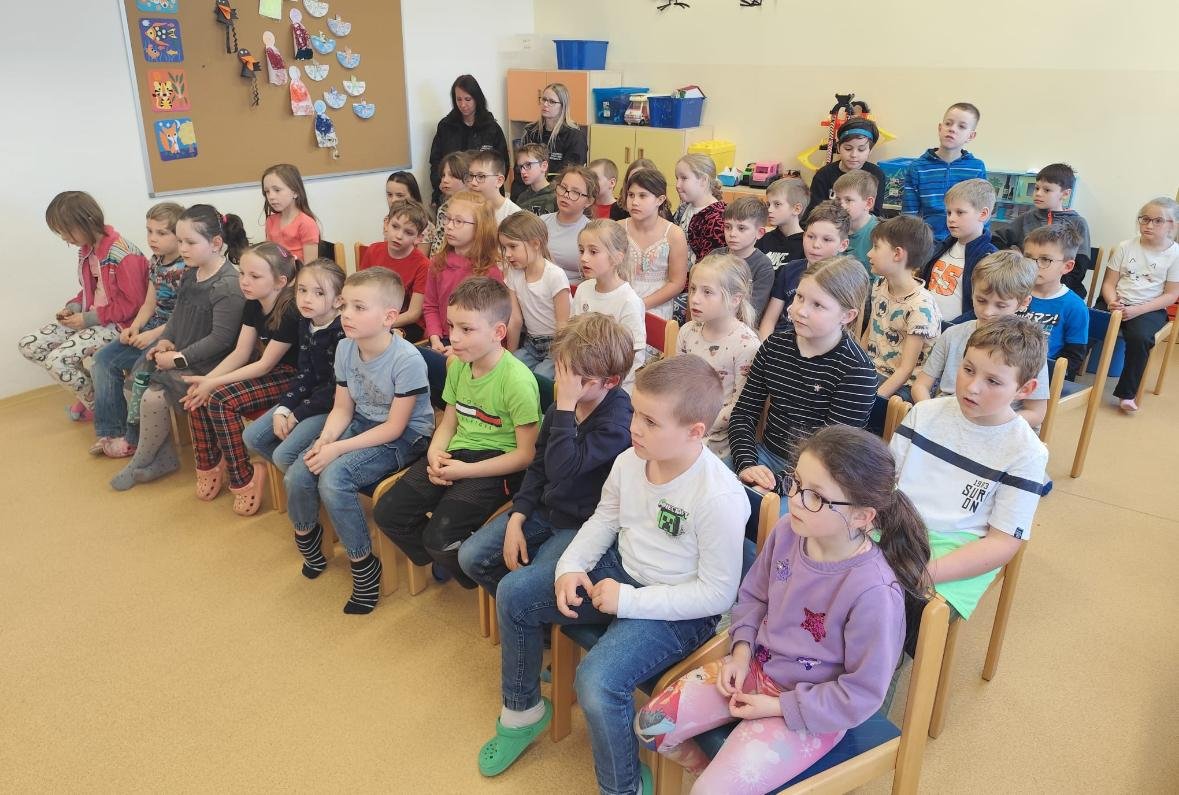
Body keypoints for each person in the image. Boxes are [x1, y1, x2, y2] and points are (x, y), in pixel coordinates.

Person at [476, 355, 749, 795]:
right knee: (515, 593)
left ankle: (622, 786)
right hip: (620, 572)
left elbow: (716, 595)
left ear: (695, 432)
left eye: (650, 421)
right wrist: (569, 568)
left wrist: (629, 600)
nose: (634, 427)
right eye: (636, 412)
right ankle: (523, 712)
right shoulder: (630, 460)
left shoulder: (719, 497)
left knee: (597, 681)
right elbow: (604, 520)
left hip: (678, 610)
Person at [638, 426, 931, 795]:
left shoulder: (874, 592)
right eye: (796, 483)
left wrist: (776, 707)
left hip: (811, 711)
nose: (795, 500)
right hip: (754, 669)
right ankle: (712, 773)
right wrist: (740, 653)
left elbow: (861, 694)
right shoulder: (788, 531)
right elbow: (753, 596)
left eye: (815, 496)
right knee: (650, 725)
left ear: (861, 517)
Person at [283, 268, 435, 613]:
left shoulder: (406, 359)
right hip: (363, 423)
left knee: (334, 479)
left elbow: (395, 428)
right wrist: (325, 440)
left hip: (405, 437)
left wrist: (336, 449)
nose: (346, 314)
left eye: (359, 307)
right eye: (344, 305)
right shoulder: (345, 348)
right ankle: (308, 537)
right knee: (298, 473)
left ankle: (364, 564)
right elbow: (342, 408)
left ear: (389, 317)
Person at [374, 277, 540, 585]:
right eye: (451, 326)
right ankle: (441, 557)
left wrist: (465, 471)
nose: (454, 338)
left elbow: (526, 456)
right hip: (457, 453)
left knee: (438, 539)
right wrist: (435, 453)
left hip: (496, 466)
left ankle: (459, 567)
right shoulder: (459, 365)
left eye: (466, 329)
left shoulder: (517, 381)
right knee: (388, 513)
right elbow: (449, 422)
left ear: (498, 333)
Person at [458, 312, 635, 594]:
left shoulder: (615, 425)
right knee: (470, 558)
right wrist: (518, 515)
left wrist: (565, 406)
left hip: (581, 524)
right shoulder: (564, 406)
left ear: (610, 381)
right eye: (563, 372)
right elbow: (540, 464)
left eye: (578, 379)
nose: (565, 385)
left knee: (525, 588)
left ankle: (524, 606)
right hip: (544, 508)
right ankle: (522, 609)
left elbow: (562, 468)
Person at [892, 316, 1048, 620]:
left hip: (955, 553)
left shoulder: (1027, 453)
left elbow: (1002, 543)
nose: (972, 387)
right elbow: (883, 485)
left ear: (1025, 389)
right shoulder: (924, 413)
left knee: (895, 611)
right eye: (968, 370)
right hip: (895, 529)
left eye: (993, 381)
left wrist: (923, 573)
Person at [110, 205, 247, 491]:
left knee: (153, 397)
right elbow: (177, 316)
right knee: (135, 381)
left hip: (211, 364)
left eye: (190, 242)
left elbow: (221, 340)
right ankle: (162, 458)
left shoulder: (227, 285)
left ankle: (141, 460)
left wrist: (179, 359)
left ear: (216, 243)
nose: (182, 248)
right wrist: (165, 340)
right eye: (180, 240)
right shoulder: (190, 273)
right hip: (183, 353)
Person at [730, 256, 877, 492]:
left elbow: (832, 454)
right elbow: (744, 413)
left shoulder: (856, 371)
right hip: (763, 457)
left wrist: (777, 486)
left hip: (816, 478)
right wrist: (747, 464)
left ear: (847, 316)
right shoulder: (775, 345)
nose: (800, 311)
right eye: (799, 297)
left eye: (817, 305)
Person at [180, 242, 302, 515]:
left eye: (254, 276)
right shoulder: (253, 304)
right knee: (199, 394)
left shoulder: (290, 310)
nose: (245, 281)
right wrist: (206, 381)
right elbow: (241, 352)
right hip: (271, 371)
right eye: (243, 273)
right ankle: (209, 464)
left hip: (293, 377)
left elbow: (265, 364)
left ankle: (244, 477)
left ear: (280, 282)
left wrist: (213, 384)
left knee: (219, 399)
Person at [20, 191, 149, 422]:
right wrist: (74, 307)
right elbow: (91, 290)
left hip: (121, 324)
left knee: (57, 361)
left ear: (86, 221)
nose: (63, 237)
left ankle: (105, 411)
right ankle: (93, 395)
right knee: (30, 346)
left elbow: (135, 304)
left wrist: (88, 319)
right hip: (93, 318)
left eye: (66, 230)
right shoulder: (88, 250)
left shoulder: (123, 254)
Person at [89, 201, 185, 458]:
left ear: (180, 234)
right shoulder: (156, 261)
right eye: (149, 231)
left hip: (173, 335)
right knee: (102, 359)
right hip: (151, 328)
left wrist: (152, 335)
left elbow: (184, 316)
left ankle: (133, 439)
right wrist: (134, 327)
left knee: (138, 374)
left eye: (161, 233)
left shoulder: (187, 267)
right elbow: (149, 304)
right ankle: (113, 432)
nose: (153, 238)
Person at [913, 251, 1049, 429]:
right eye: (981, 300)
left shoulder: (1028, 348)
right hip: (946, 419)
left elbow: (1036, 413)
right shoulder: (952, 334)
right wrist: (933, 416)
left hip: (996, 429)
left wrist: (985, 423)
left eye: (1001, 305)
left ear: (1023, 302)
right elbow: (921, 386)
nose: (988, 312)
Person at [242, 258, 346, 479]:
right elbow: (305, 373)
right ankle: (303, 477)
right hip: (310, 399)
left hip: (333, 406)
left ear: (338, 300)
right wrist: (284, 408)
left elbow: (336, 389)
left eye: (319, 293)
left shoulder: (343, 332)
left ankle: (305, 478)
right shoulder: (305, 321)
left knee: (283, 456)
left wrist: (297, 414)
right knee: (252, 437)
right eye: (302, 290)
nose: (307, 299)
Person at [676, 253, 761, 463]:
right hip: (682, 421)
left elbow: (740, 406)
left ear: (735, 299)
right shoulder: (687, 331)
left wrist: (695, 426)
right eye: (693, 289)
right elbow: (676, 381)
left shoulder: (746, 345)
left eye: (707, 292)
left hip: (715, 438)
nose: (695, 298)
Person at [1099, 197, 1179, 412]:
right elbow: (1109, 283)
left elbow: (1171, 295)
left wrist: (1137, 310)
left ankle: (1127, 393)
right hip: (1115, 302)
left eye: (1158, 221)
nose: (1149, 225)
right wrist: (1112, 302)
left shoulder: (1175, 254)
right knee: (1085, 323)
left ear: (1172, 225)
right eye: (1145, 219)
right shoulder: (1125, 247)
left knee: (1140, 338)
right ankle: (1067, 376)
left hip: (1148, 308)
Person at [863, 215, 941, 433]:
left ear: (897, 254)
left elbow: (906, 369)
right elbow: (869, 332)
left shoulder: (920, 306)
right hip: (874, 370)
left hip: (902, 384)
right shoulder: (880, 284)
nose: (869, 254)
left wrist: (874, 399)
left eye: (876, 247)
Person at [423, 190, 504, 356]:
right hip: (441, 339)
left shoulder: (489, 271)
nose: (449, 226)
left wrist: (458, 348)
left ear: (480, 227)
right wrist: (435, 339)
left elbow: (491, 324)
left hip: (475, 345)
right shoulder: (438, 262)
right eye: (447, 218)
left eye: (458, 221)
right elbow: (431, 306)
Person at [994, 163, 1092, 297]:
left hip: (1060, 291)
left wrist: (1053, 289)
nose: (1038, 193)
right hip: (1025, 288)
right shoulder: (1026, 218)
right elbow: (996, 241)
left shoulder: (1078, 223)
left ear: (1065, 194)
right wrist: (1015, 258)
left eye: (1047, 190)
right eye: (1036, 188)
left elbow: (1079, 268)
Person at [758, 201, 851, 340]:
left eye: (827, 239)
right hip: (780, 341)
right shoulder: (790, 269)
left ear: (843, 245)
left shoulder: (845, 280)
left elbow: (845, 331)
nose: (816, 245)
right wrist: (765, 347)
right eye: (810, 236)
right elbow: (769, 320)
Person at [573, 220, 647, 391]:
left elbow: (633, 359)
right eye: (581, 250)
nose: (584, 258)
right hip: (583, 376)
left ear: (617, 257)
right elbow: (573, 337)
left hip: (613, 387)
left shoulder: (629, 301)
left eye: (593, 252)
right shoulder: (583, 289)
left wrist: (609, 388)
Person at [902, 103, 987, 242]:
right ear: (940, 128)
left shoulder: (976, 168)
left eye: (961, 126)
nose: (952, 129)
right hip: (926, 242)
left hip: (963, 241)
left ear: (971, 136)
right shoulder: (917, 167)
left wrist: (981, 243)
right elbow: (909, 216)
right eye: (948, 123)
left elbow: (982, 212)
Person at [501, 211, 571, 378]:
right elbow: (515, 320)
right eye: (504, 248)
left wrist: (560, 361)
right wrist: (509, 357)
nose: (507, 254)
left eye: (512, 246)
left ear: (535, 244)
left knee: (540, 378)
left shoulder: (555, 275)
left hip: (556, 345)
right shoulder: (514, 273)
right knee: (507, 371)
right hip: (531, 344)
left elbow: (563, 325)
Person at [921, 178, 998, 325]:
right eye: (949, 212)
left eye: (960, 212)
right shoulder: (941, 247)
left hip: (957, 332)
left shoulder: (990, 259)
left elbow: (984, 307)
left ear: (983, 214)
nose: (951, 219)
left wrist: (948, 328)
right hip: (926, 325)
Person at [428, 75, 509, 207]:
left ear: (477, 99)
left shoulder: (492, 128)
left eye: (467, 99)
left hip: (484, 197)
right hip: (452, 196)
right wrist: (438, 189)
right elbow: (436, 162)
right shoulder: (446, 126)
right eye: (458, 99)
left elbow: (502, 164)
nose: (463, 105)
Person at [620, 168, 689, 320]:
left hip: (657, 305)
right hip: (621, 299)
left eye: (642, 196)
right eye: (631, 195)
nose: (634, 202)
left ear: (660, 199)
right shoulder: (617, 228)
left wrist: (641, 304)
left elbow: (677, 283)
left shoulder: (674, 234)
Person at [359, 199, 431, 342]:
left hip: (407, 323)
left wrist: (380, 323)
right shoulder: (373, 250)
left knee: (386, 339)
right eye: (395, 226)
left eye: (408, 232)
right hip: (375, 315)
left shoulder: (423, 265)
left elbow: (414, 313)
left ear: (418, 238)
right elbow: (360, 290)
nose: (399, 236)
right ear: (386, 224)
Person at [1023, 225, 1089, 380]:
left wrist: (1048, 376)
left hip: (1044, 377)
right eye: (1028, 258)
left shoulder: (1075, 306)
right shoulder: (1014, 292)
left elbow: (1074, 357)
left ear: (1067, 266)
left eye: (1045, 260)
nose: (1034, 265)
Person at [513, 82, 587, 200]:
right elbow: (520, 169)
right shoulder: (531, 132)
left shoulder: (575, 136)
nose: (545, 104)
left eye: (552, 101)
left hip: (557, 195)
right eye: (544, 99)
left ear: (563, 106)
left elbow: (571, 175)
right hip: (528, 192)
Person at [805, 118, 887, 219]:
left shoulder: (876, 174)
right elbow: (813, 213)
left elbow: (876, 213)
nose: (854, 155)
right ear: (838, 148)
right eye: (848, 148)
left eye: (861, 150)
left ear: (870, 151)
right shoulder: (823, 175)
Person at [710, 197, 774, 321]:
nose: (732, 234)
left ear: (760, 233)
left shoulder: (763, 267)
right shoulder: (715, 255)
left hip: (741, 325)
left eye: (741, 228)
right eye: (728, 227)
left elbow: (753, 310)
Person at [542, 165, 596, 284]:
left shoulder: (592, 231)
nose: (566, 195)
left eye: (575, 192)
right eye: (563, 188)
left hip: (575, 290)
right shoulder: (541, 222)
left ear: (588, 201)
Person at [672, 154, 727, 264]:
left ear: (703, 180)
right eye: (677, 178)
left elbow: (712, 264)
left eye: (684, 178)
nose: (677, 185)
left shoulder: (718, 217)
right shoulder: (683, 208)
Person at [261, 163, 320, 264]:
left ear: (295, 192)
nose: (271, 196)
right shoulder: (270, 221)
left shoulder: (306, 223)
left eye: (277, 190)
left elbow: (310, 268)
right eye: (267, 191)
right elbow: (269, 258)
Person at [834, 170, 880, 275]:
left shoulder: (880, 234)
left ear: (868, 203)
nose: (841, 205)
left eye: (848, 200)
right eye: (838, 199)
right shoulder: (832, 227)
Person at [757, 176, 808, 271]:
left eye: (777, 204)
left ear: (796, 209)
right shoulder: (764, 240)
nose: (769, 210)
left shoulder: (806, 244)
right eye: (769, 204)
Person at [425, 152, 470, 257]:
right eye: (443, 175)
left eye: (452, 175)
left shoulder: (475, 209)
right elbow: (438, 244)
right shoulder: (444, 208)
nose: (445, 180)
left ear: (467, 179)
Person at [465, 150, 522, 225]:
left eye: (481, 176)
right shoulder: (465, 208)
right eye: (471, 175)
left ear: (499, 181)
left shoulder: (515, 216)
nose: (473, 182)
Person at [384, 170, 435, 254]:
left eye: (399, 195)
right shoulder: (389, 219)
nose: (393, 200)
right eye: (389, 195)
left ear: (413, 196)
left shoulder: (426, 226)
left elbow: (420, 257)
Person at [513, 143, 557, 216]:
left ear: (544, 166)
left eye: (528, 165)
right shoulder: (522, 198)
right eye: (520, 167)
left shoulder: (556, 197)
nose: (522, 171)